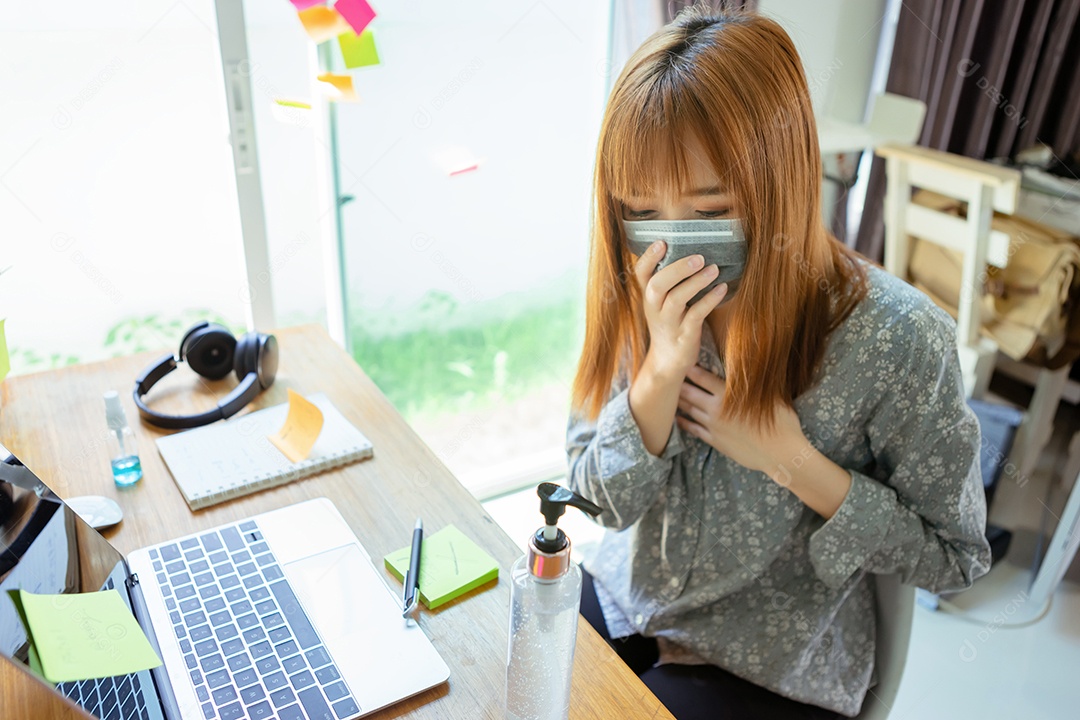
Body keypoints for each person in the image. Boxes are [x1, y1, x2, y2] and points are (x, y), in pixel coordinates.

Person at [566, 6, 992, 719]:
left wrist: (791, 461)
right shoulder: (634, 279)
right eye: (642, 210)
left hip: (773, 661)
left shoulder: (897, 339)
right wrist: (659, 377)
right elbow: (591, 501)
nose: (671, 250)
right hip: (627, 601)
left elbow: (955, 559)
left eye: (710, 212)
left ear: (784, 184)